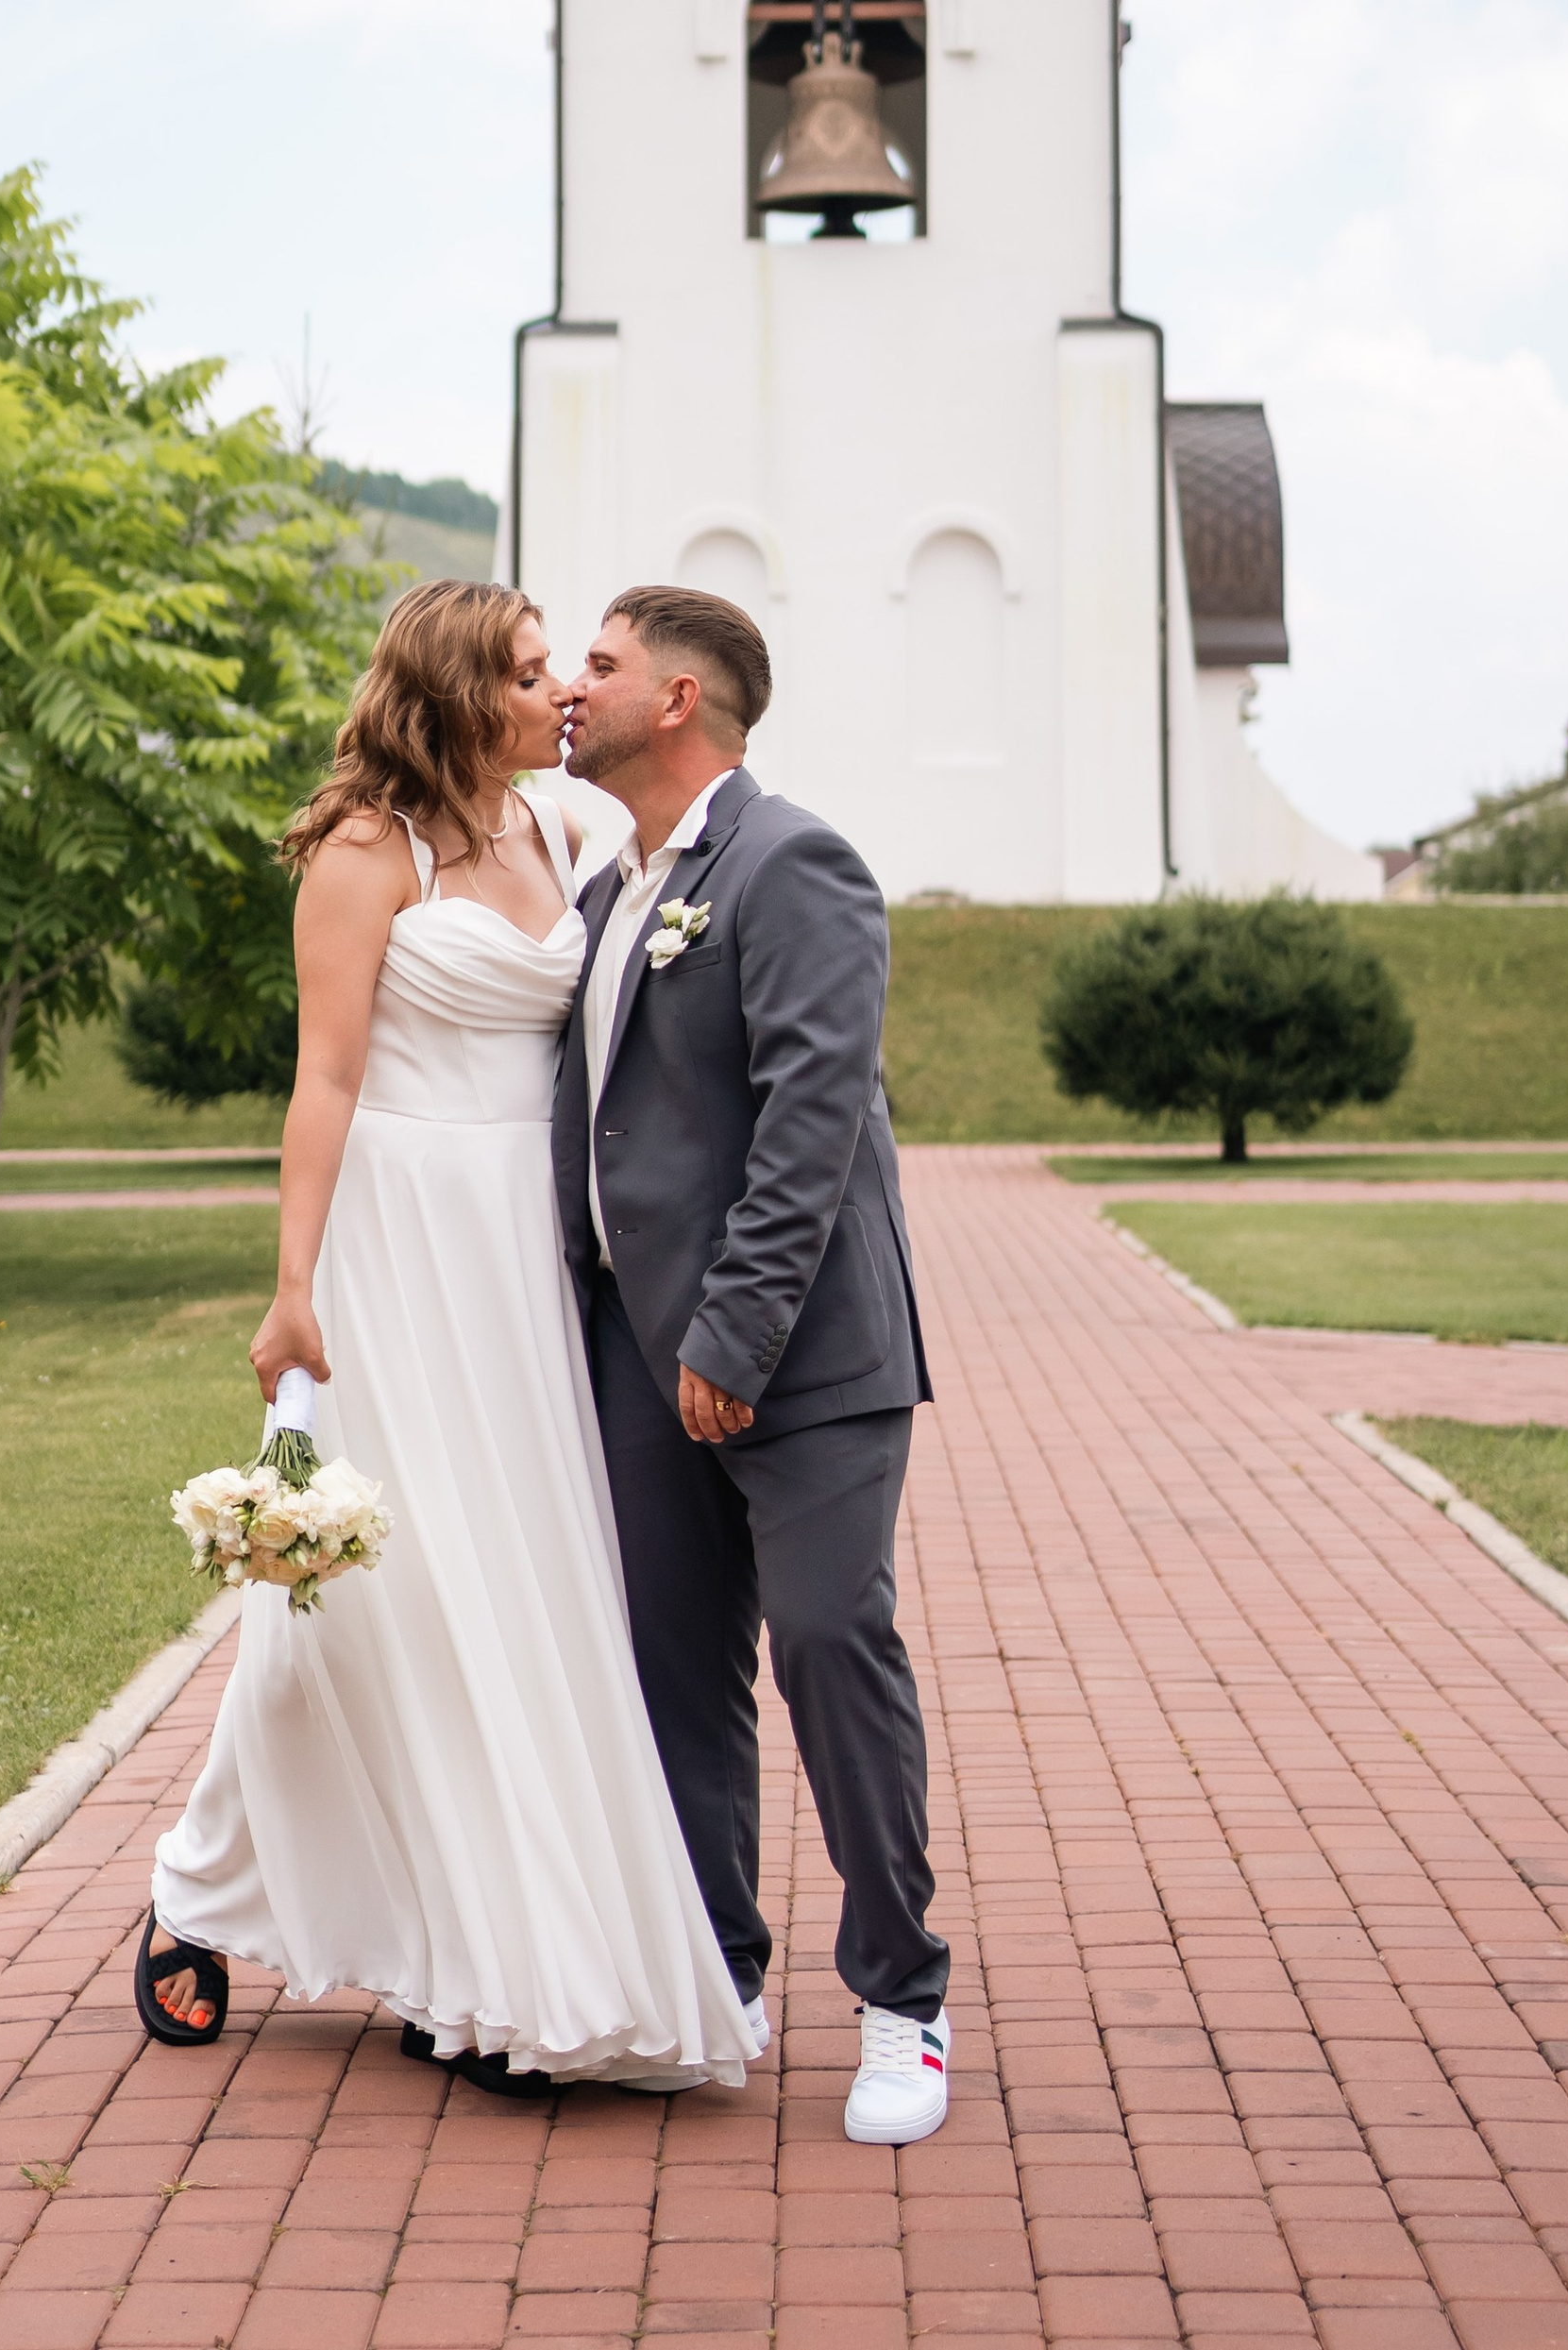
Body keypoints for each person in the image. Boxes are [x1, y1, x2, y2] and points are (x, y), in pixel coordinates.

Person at [137, 579, 750, 2096]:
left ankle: (413, 1932)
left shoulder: (567, 832)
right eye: (529, 670)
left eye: (563, 667)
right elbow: (325, 1083)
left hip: (521, 1252)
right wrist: (294, 1288)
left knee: (522, 1580)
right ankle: (226, 1894)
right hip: (397, 1242)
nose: (558, 693)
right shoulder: (364, 851)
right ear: (453, 688)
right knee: (390, 1590)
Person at [556, 586, 952, 2146]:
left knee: (827, 1640)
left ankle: (905, 2002)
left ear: (681, 698)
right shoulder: (604, 889)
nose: (569, 689)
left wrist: (732, 1337)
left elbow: (810, 1123)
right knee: (675, 1674)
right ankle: (721, 1973)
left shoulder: (795, 864)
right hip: (638, 1359)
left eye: (597, 661)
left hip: (800, 1355)